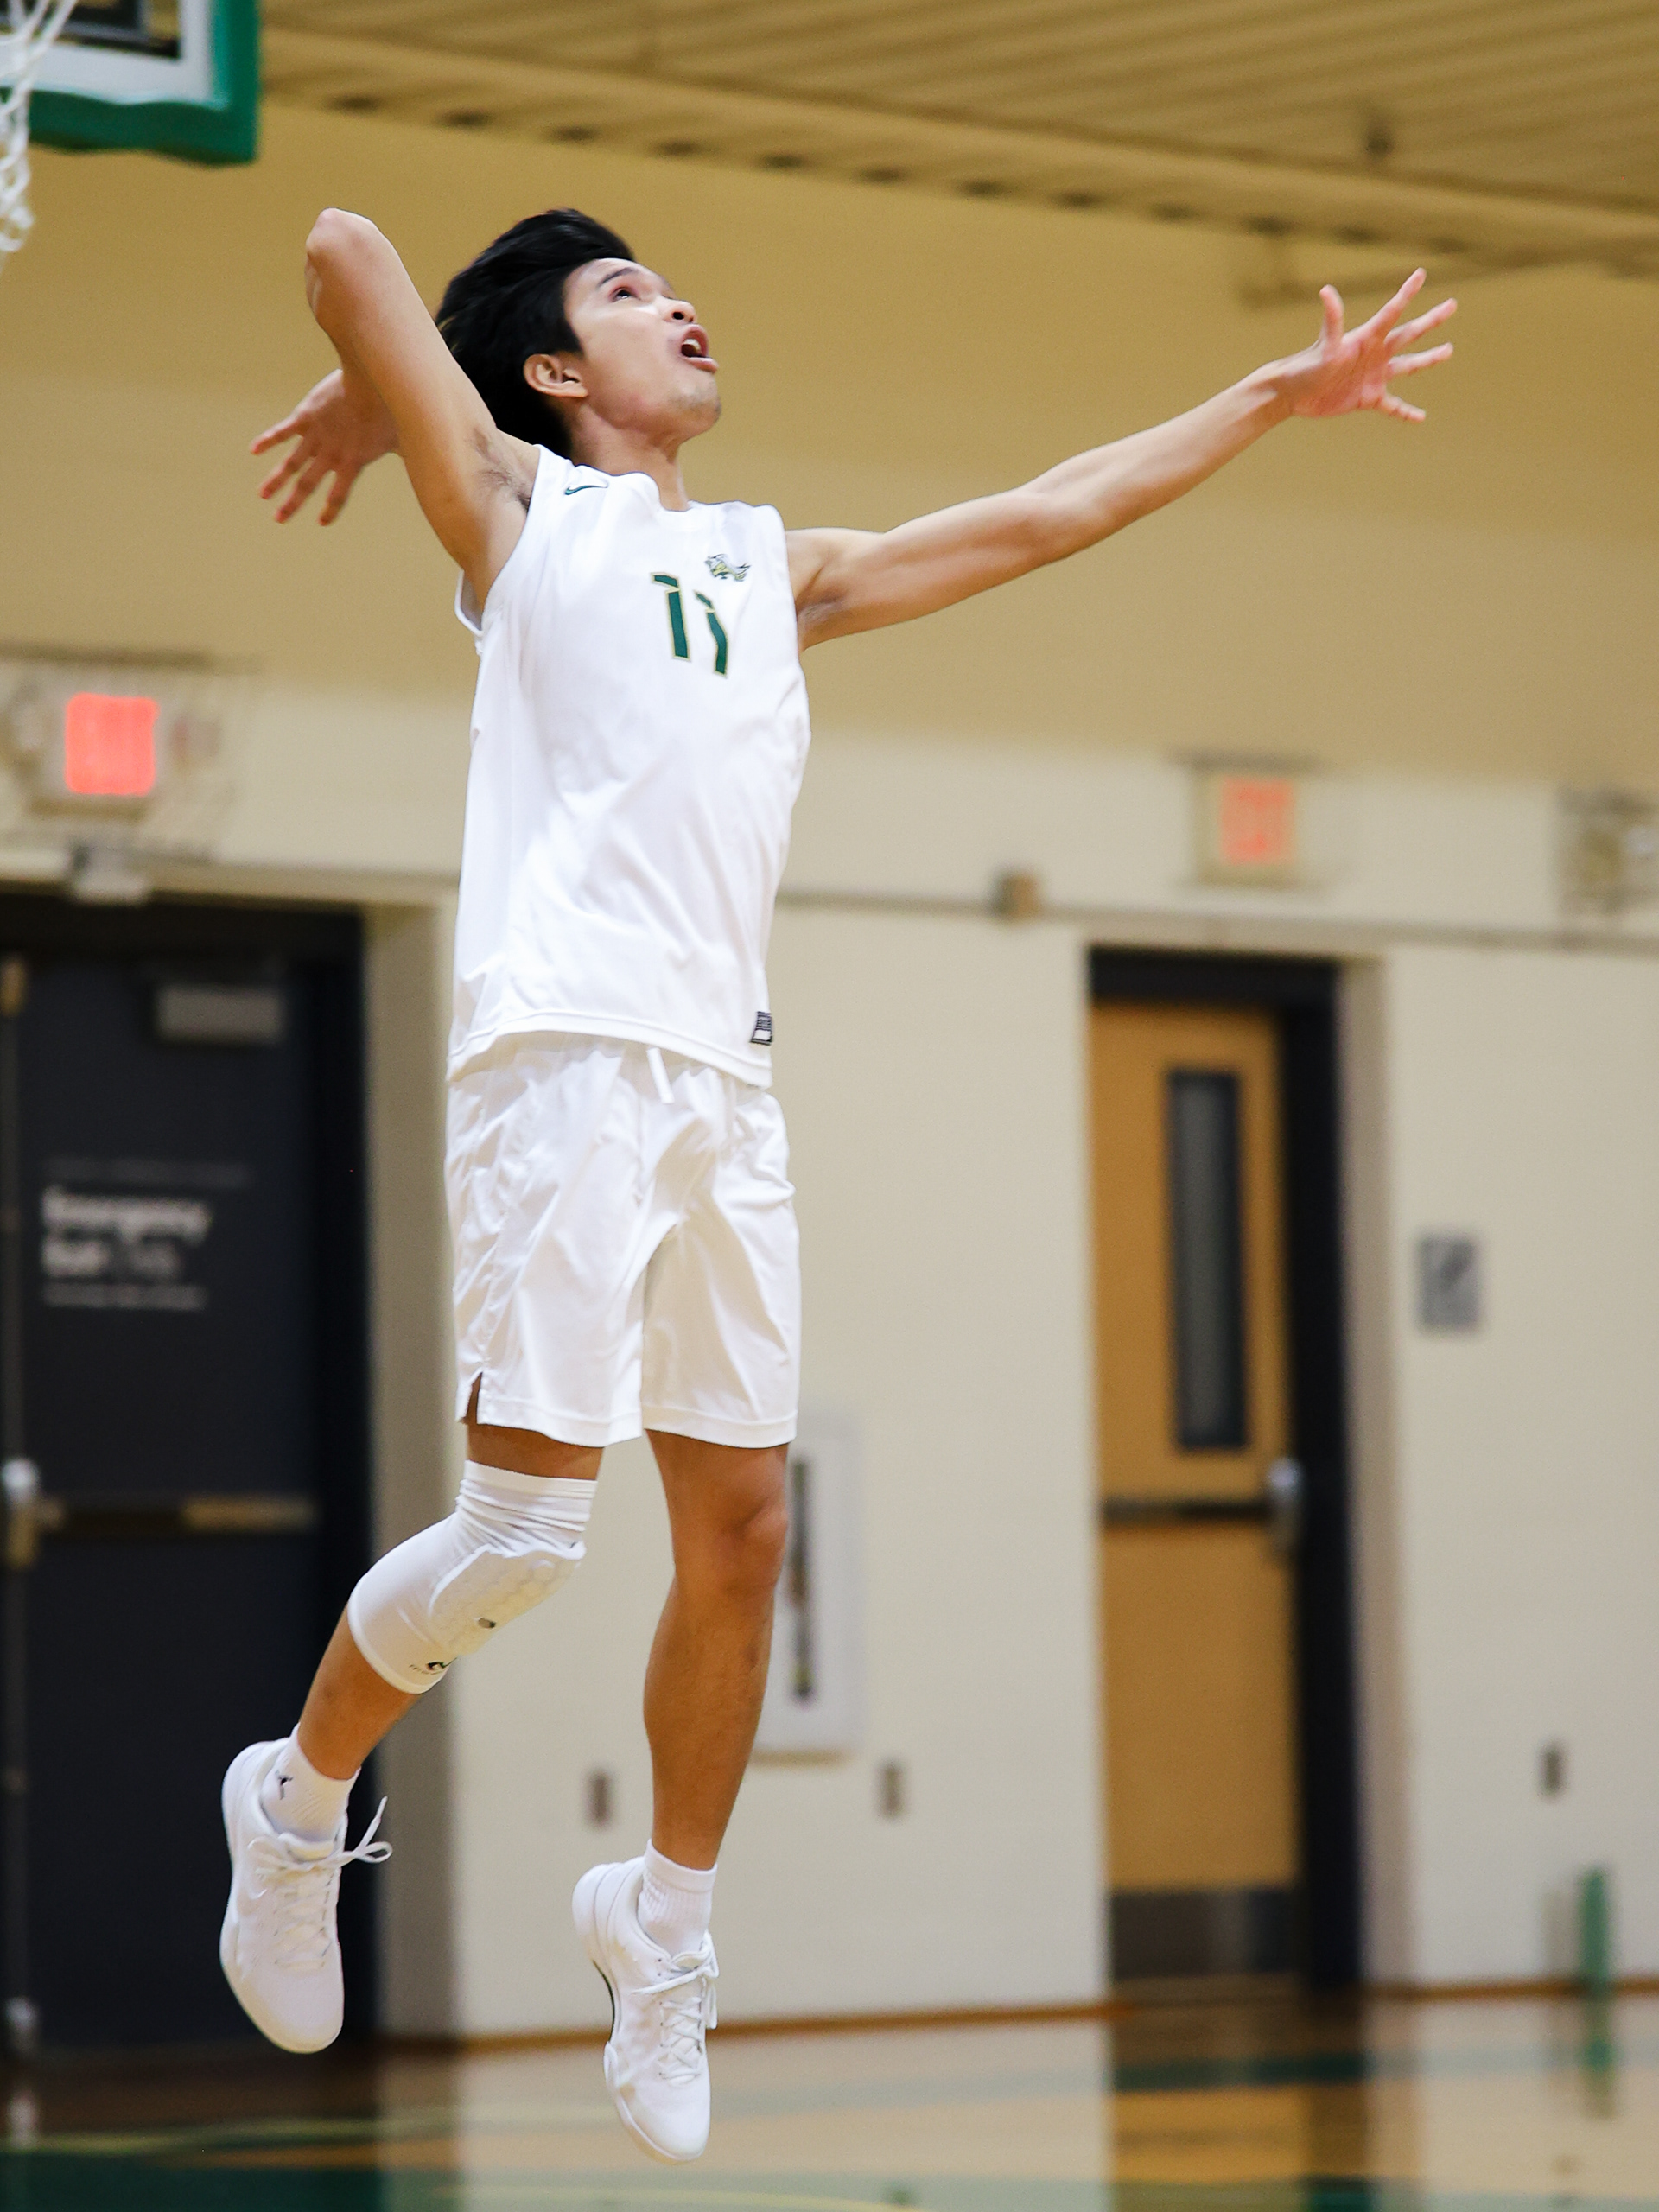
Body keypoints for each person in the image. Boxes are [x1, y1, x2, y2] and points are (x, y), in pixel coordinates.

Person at [220, 203, 1453, 2163]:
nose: (676, 298)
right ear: (548, 368)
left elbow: (1051, 511)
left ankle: (665, 1925)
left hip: (730, 1079)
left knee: (746, 1533)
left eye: (670, 280)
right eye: (624, 293)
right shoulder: (522, 520)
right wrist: (401, 398)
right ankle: (293, 1805)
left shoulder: (769, 565)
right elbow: (338, 239)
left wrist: (1274, 394)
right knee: (527, 1539)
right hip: (564, 1064)